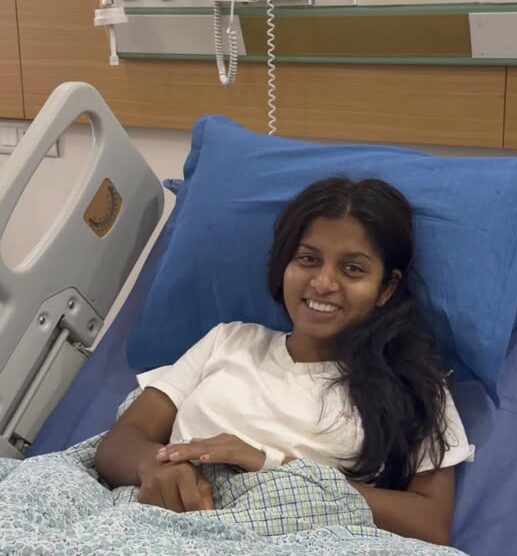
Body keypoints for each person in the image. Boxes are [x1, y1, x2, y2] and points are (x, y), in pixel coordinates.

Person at [95, 176, 473, 546]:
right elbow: (119, 443)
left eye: (352, 269)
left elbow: (429, 524)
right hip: (161, 522)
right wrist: (155, 467)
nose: (323, 283)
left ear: (386, 288)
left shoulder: (412, 385)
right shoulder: (228, 341)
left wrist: (270, 463)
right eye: (308, 259)